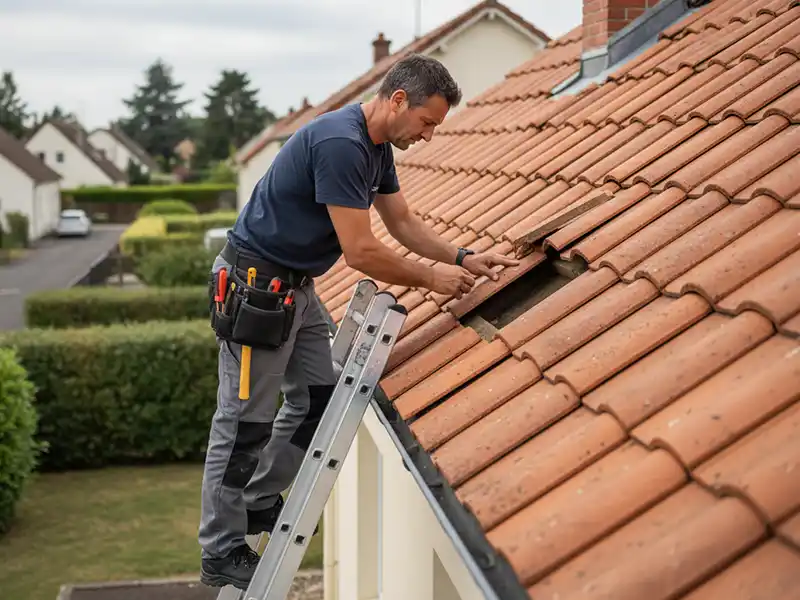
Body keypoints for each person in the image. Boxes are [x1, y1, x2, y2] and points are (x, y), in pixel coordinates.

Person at [198, 53, 519, 590]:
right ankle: (221, 547)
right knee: (242, 423)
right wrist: (432, 280)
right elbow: (361, 251)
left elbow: (403, 222)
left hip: (294, 287)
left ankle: (256, 502)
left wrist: (461, 259)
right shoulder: (341, 144)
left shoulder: (375, 148)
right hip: (257, 289)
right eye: (427, 123)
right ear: (398, 101)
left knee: (319, 399)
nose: (429, 135)